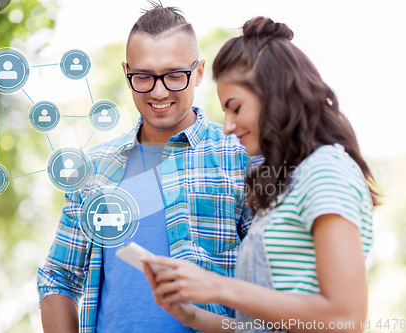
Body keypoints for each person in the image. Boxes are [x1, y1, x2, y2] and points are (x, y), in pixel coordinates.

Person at [142, 16, 379, 333]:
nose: (227, 126)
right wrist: (193, 316)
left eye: (235, 108)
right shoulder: (286, 186)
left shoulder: (326, 172)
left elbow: (345, 319)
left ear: (274, 95)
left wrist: (217, 286)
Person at [37, 3, 252, 333]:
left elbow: (275, 285)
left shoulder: (241, 158)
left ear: (198, 72)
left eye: (175, 75)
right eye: (144, 77)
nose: (159, 91)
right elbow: (58, 277)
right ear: (126, 73)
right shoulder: (95, 169)